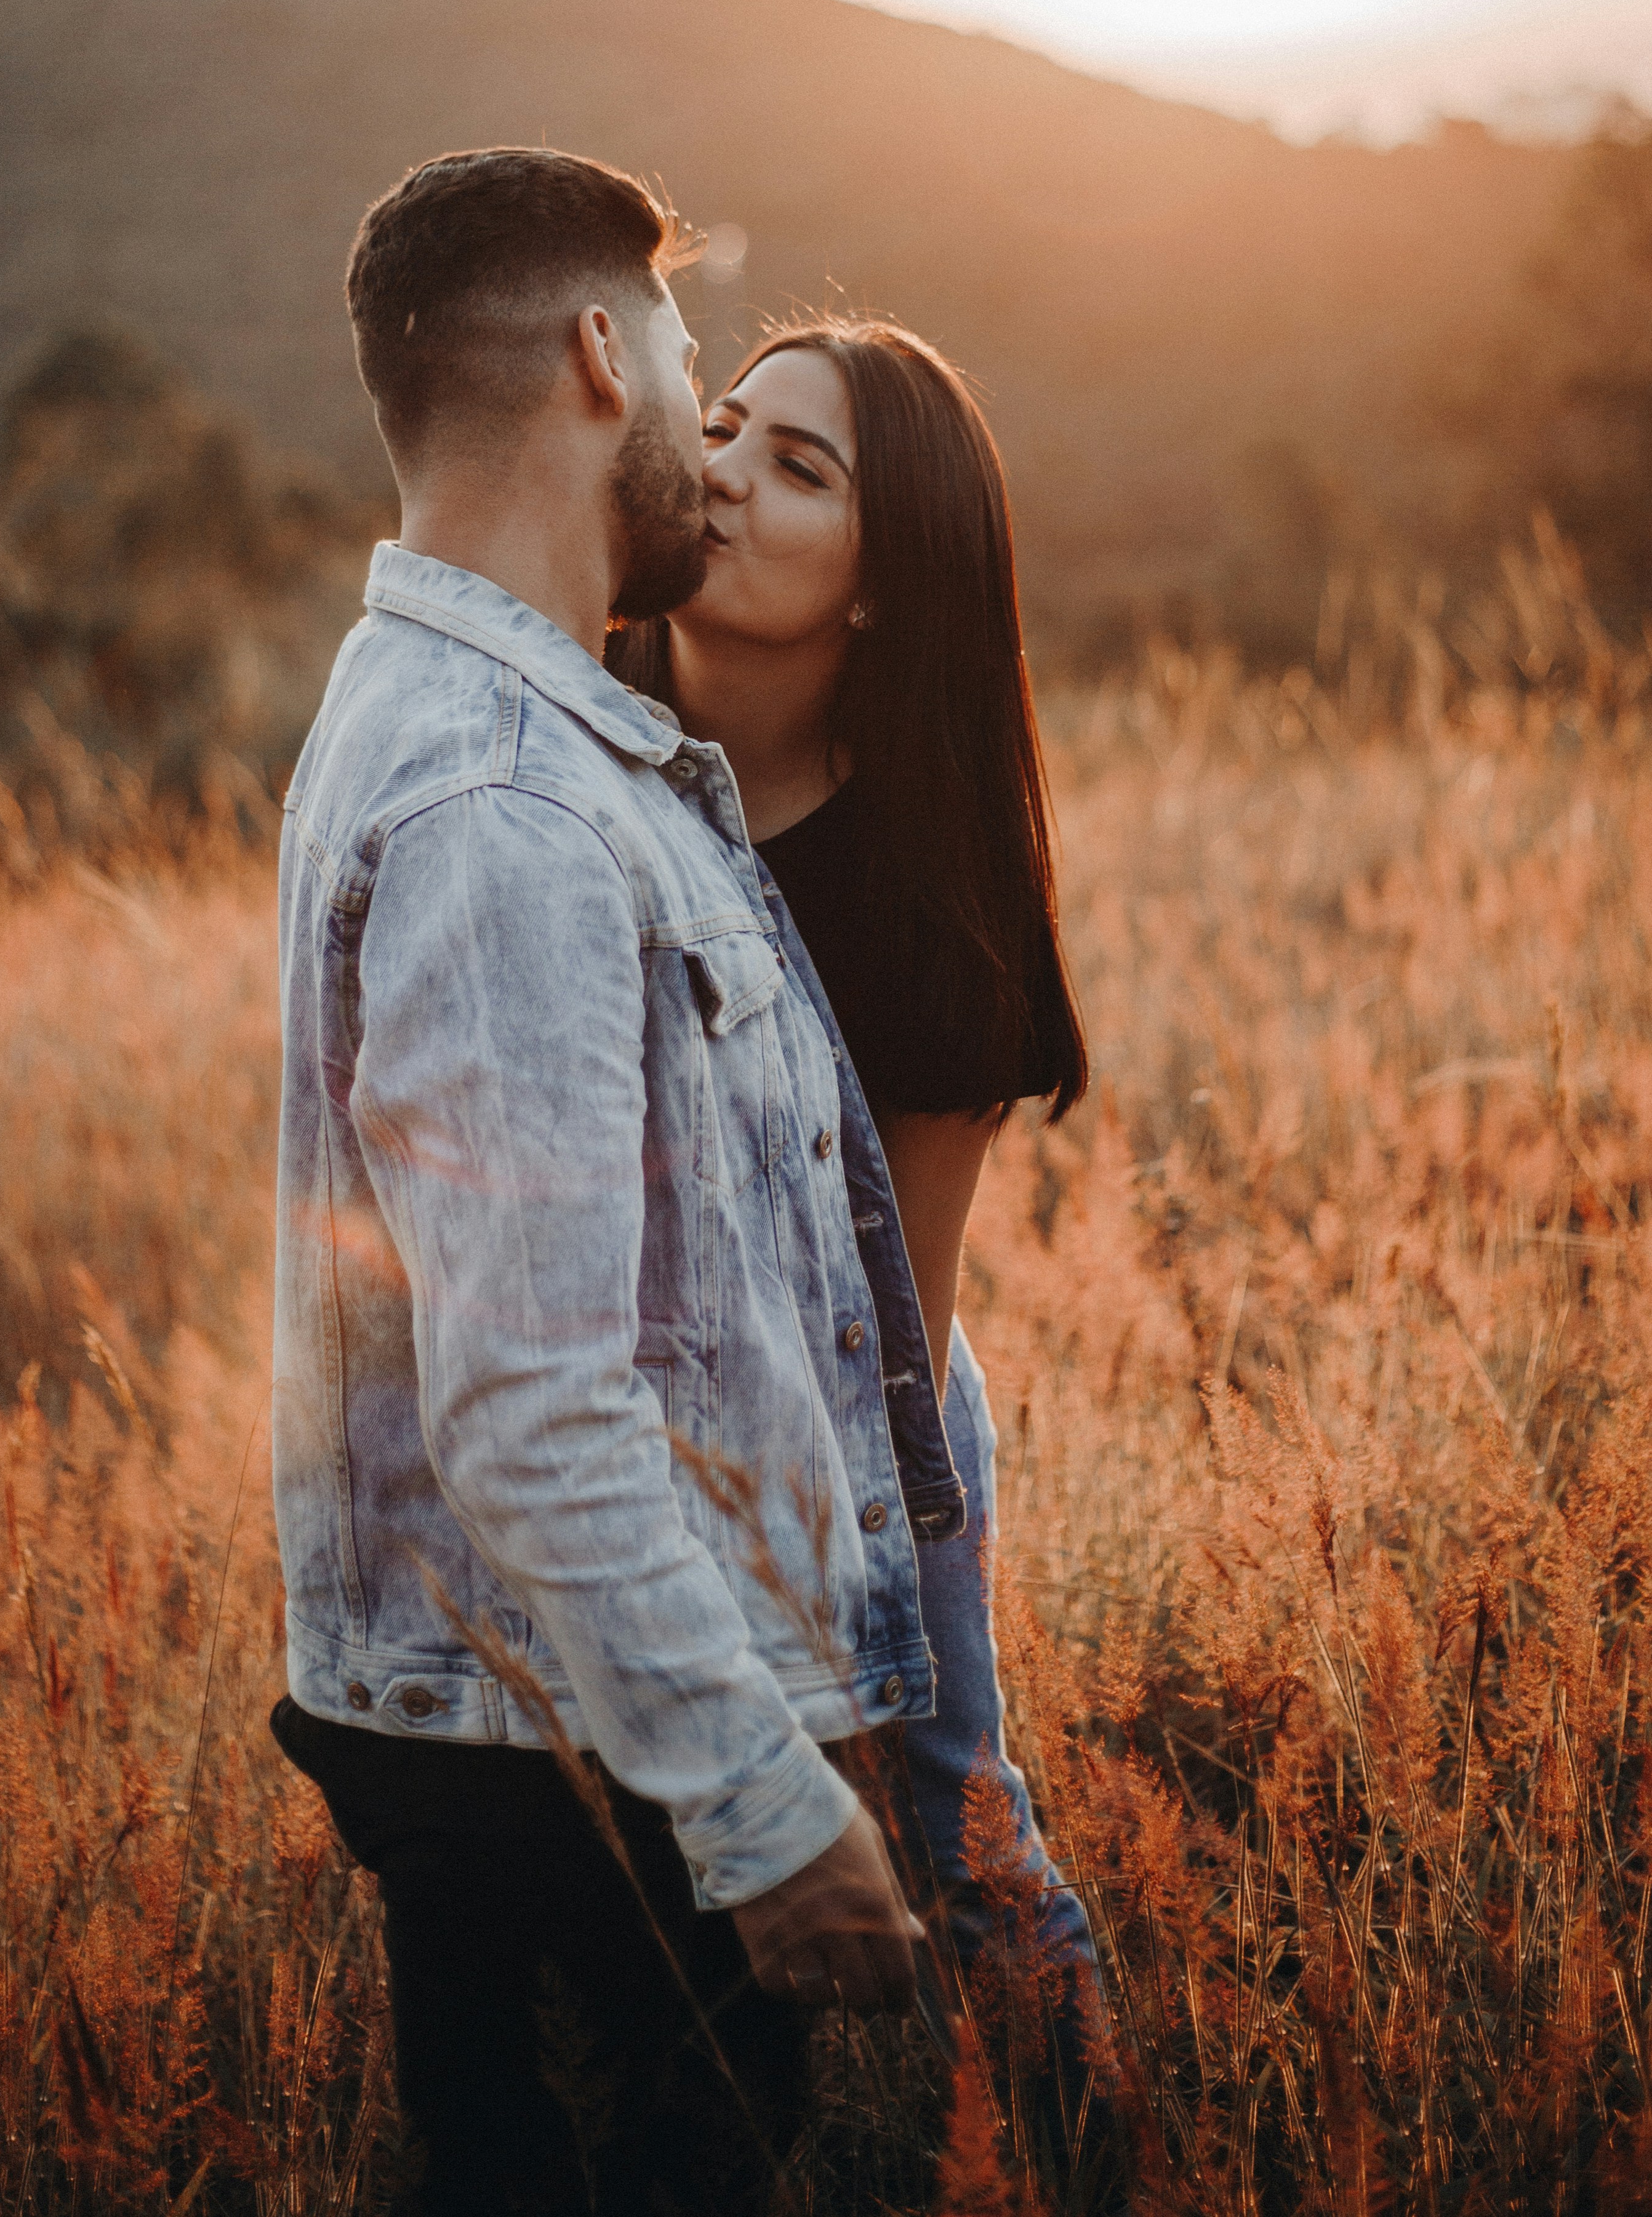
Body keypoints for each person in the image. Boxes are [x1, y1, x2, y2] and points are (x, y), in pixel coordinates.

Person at [268, 152, 963, 2217]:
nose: (704, 432)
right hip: (560, 1770)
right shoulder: (506, 799)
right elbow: (533, 1405)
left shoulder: (478, 721)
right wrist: (756, 1807)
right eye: (682, 356)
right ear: (599, 353)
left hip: (547, 1723)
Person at [609, 315, 1112, 2171]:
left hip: (858, 1413)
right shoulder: (566, 742)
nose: (725, 467)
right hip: (595, 1400)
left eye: (798, 466)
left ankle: (1091, 2157)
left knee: (962, 1837)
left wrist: (820, 1637)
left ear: (888, 588)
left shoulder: (925, 891)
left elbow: (899, 1324)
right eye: (723, 423)